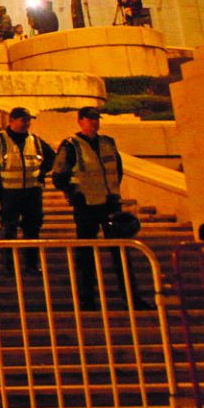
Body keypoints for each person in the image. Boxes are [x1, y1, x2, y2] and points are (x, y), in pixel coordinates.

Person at [52, 106, 154, 310]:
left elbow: (117, 169)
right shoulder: (71, 145)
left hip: (110, 203)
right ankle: (87, 299)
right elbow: (59, 176)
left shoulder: (108, 142)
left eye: (96, 119)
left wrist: (113, 192)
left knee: (122, 253)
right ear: (79, 121)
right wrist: (75, 194)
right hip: (87, 205)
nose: (94, 123)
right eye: (89, 119)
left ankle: (131, 298)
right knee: (86, 254)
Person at [0, 106, 55, 271]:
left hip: (32, 191)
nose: (27, 123)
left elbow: (53, 157)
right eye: (23, 120)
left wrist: (42, 172)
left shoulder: (35, 140)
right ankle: (9, 266)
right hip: (9, 192)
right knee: (8, 230)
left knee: (32, 229)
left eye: (28, 120)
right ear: (12, 120)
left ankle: (31, 264)